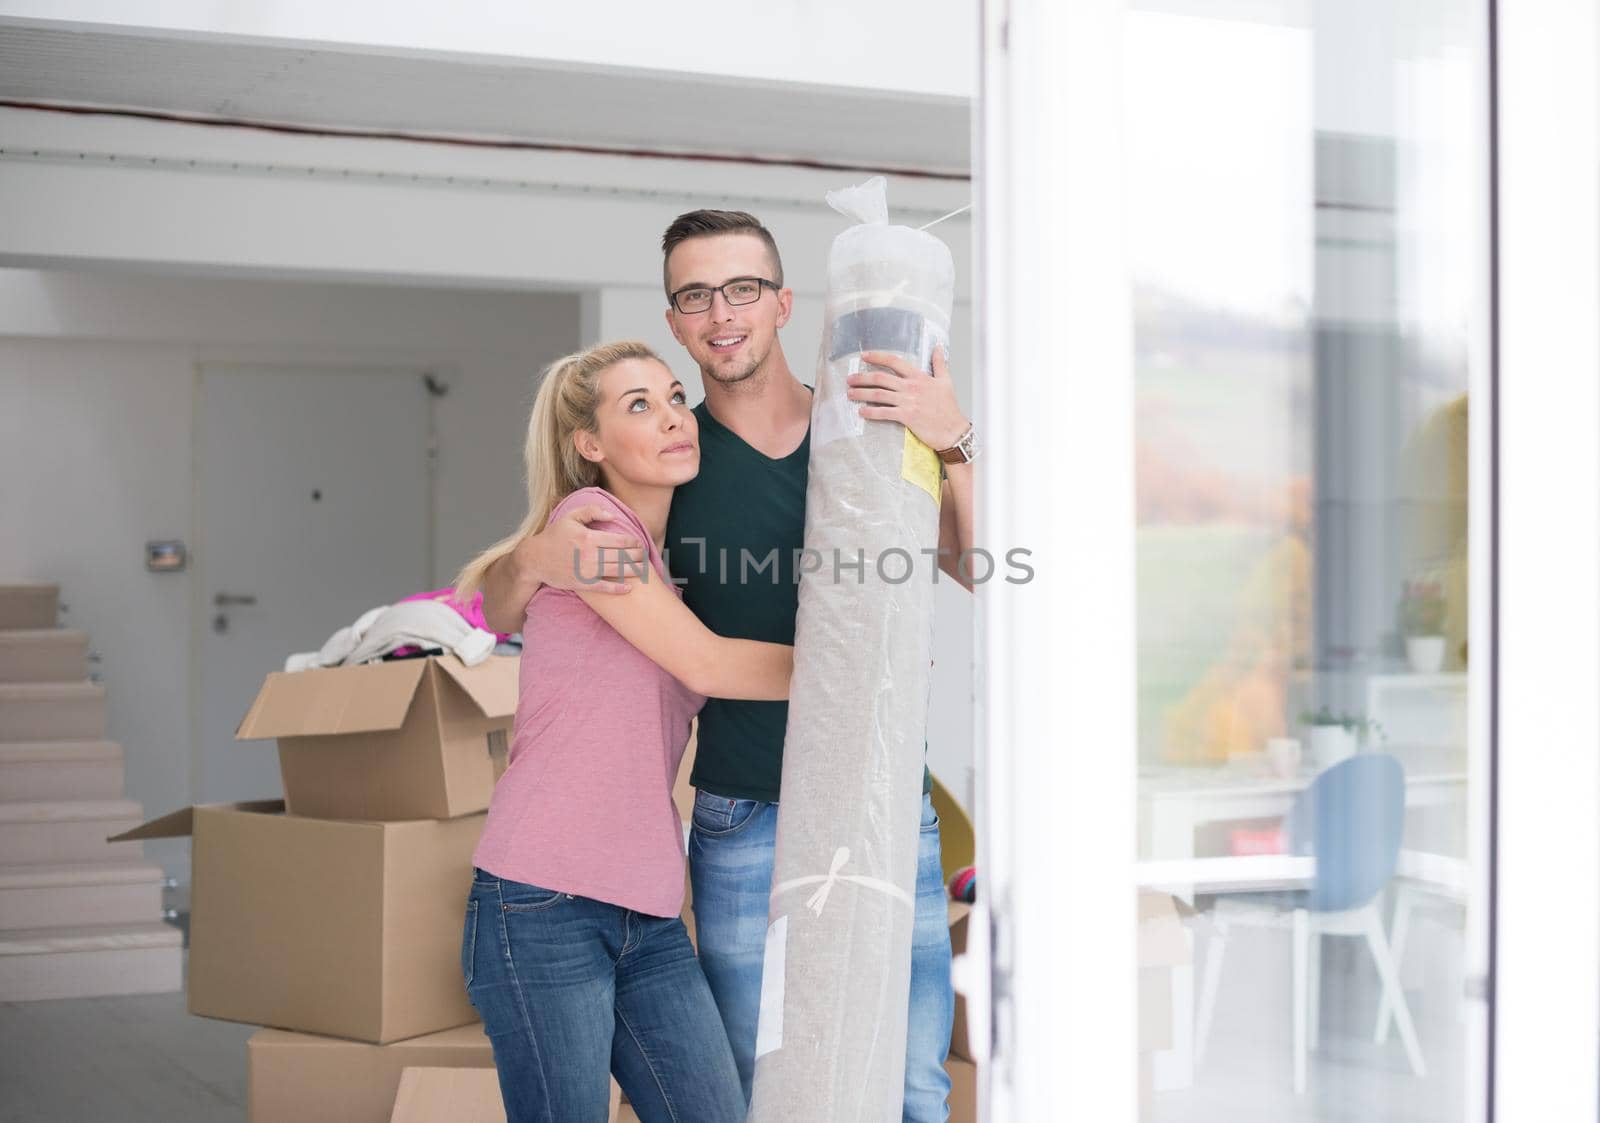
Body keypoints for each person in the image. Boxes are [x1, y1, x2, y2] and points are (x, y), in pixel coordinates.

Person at [479, 211, 977, 1122]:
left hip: (879, 795)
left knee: (911, 1083)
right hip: (741, 813)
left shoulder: (864, 436)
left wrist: (954, 440)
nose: (722, 311)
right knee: (765, 1090)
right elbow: (533, 599)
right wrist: (528, 562)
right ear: (675, 319)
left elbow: (984, 567)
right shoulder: (674, 465)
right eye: (696, 295)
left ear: (785, 303)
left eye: (743, 288)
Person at [454, 339, 794, 1123]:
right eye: (639, 405)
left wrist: (528, 560)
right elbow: (706, 664)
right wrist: (858, 667)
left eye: (676, 397)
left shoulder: (652, 564)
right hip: (543, 903)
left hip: (646, 911)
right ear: (590, 445)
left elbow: (502, 603)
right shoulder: (594, 524)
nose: (675, 417)